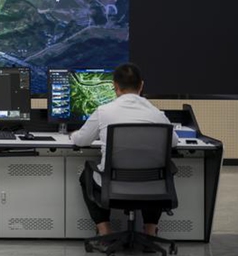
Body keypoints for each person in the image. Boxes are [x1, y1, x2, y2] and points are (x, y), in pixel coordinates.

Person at [71, 63, 178, 242]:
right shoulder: (157, 114)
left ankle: (104, 231)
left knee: (87, 173)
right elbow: (174, 142)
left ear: (115, 86)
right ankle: (150, 231)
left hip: (113, 186)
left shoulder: (104, 111)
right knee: (159, 172)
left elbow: (82, 141)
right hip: (152, 187)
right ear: (141, 85)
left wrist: (73, 135)